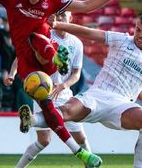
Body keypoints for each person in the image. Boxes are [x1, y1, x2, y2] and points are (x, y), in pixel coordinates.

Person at [0, 0, 129, 167]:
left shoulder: (53, 1)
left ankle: (56, 58)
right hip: (30, 67)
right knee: (48, 114)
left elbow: (87, 5)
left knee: (37, 37)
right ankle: (79, 153)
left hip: (46, 55)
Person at [21, 13, 142, 168]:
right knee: (66, 111)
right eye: (138, 29)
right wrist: (58, 25)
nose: (140, 35)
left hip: (122, 104)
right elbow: (88, 32)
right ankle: (31, 120)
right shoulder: (121, 39)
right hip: (96, 95)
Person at [12, 11, 91, 168]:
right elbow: (21, 56)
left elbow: (76, 74)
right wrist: (11, 73)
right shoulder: (46, 35)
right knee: (44, 140)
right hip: (43, 93)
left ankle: (31, 120)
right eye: (57, 15)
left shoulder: (76, 43)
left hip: (64, 94)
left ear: (71, 18)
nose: (60, 18)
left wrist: (64, 85)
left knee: (80, 138)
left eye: (63, 15)